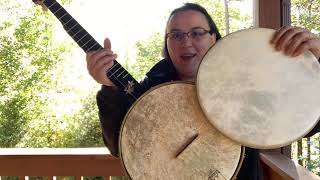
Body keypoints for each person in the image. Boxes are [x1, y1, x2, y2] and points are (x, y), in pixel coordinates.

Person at [86, 3, 320, 179]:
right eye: (176, 35)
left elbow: (309, 123)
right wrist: (109, 88)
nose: (186, 42)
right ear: (166, 44)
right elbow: (121, 146)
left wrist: (314, 66)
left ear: (214, 38)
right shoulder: (151, 90)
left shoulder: (245, 83)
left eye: (197, 32)